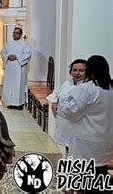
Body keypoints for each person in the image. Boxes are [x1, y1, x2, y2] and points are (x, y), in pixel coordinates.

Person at [57, 55, 113, 193]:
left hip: (86, 139)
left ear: (89, 70)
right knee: (99, 171)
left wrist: (63, 103)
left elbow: (72, 112)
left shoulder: (88, 88)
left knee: (83, 175)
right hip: (105, 138)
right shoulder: (111, 88)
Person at [46, 59, 87, 154]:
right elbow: (57, 93)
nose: (77, 73)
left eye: (81, 71)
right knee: (68, 149)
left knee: (77, 152)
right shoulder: (68, 82)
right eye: (75, 70)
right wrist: (54, 102)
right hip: (65, 125)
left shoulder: (86, 87)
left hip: (77, 126)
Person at [0, 27, 31, 110]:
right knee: (10, 85)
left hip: (19, 69)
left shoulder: (24, 44)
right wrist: (7, 56)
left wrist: (17, 57)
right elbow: (2, 52)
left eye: (17, 33)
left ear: (20, 35)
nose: (14, 34)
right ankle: (11, 103)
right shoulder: (8, 44)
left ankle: (19, 104)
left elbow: (28, 54)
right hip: (10, 68)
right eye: (14, 32)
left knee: (19, 85)